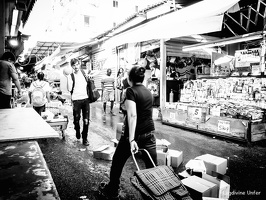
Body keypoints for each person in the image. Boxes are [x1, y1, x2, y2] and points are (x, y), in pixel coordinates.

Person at [99, 65, 157, 199]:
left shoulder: (131, 91)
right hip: (150, 133)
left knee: (117, 162)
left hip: (134, 135)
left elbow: (132, 116)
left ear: (130, 79)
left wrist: (131, 139)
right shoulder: (148, 91)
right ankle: (156, 195)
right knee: (153, 168)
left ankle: (112, 190)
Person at [65, 58, 90, 146]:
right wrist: (68, 78)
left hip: (86, 99)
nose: (76, 67)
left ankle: (85, 138)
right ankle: (77, 129)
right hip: (76, 100)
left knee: (86, 120)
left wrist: (89, 77)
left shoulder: (84, 73)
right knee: (76, 120)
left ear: (79, 64)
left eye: (77, 64)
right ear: (71, 66)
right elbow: (69, 89)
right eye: (73, 65)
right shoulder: (71, 76)